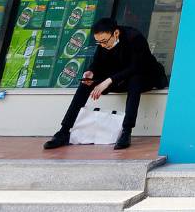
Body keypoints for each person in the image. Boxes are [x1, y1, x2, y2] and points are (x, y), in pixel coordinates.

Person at [43, 17, 167, 151]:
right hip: (118, 78)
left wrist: (107, 81)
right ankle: (64, 131)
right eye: (99, 42)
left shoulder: (134, 37)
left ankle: (126, 131)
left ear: (116, 33)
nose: (102, 45)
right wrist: (91, 71)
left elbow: (136, 66)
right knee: (86, 83)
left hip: (145, 76)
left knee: (134, 79)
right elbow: (97, 62)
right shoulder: (103, 43)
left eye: (104, 41)